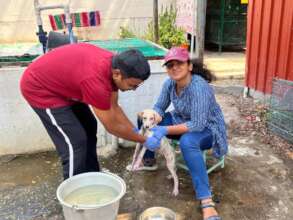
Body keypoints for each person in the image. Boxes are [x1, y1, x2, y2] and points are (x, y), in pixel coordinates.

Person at [20, 43, 163, 180]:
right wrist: (144, 140)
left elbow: (115, 108)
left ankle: (92, 177)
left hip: (64, 86)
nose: (133, 89)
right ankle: (73, 196)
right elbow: (112, 127)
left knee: (89, 125)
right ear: (117, 74)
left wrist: (135, 131)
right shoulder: (96, 82)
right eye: (132, 85)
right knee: (75, 142)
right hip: (39, 88)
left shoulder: (115, 65)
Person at [135, 47, 228, 220]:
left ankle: (206, 201)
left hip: (207, 128)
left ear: (189, 66)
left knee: (187, 142)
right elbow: (159, 107)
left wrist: (164, 129)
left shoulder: (199, 87)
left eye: (179, 63)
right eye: (170, 65)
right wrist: (155, 117)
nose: (174, 68)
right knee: (144, 118)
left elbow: (197, 124)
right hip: (180, 120)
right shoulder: (170, 83)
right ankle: (149, 160)